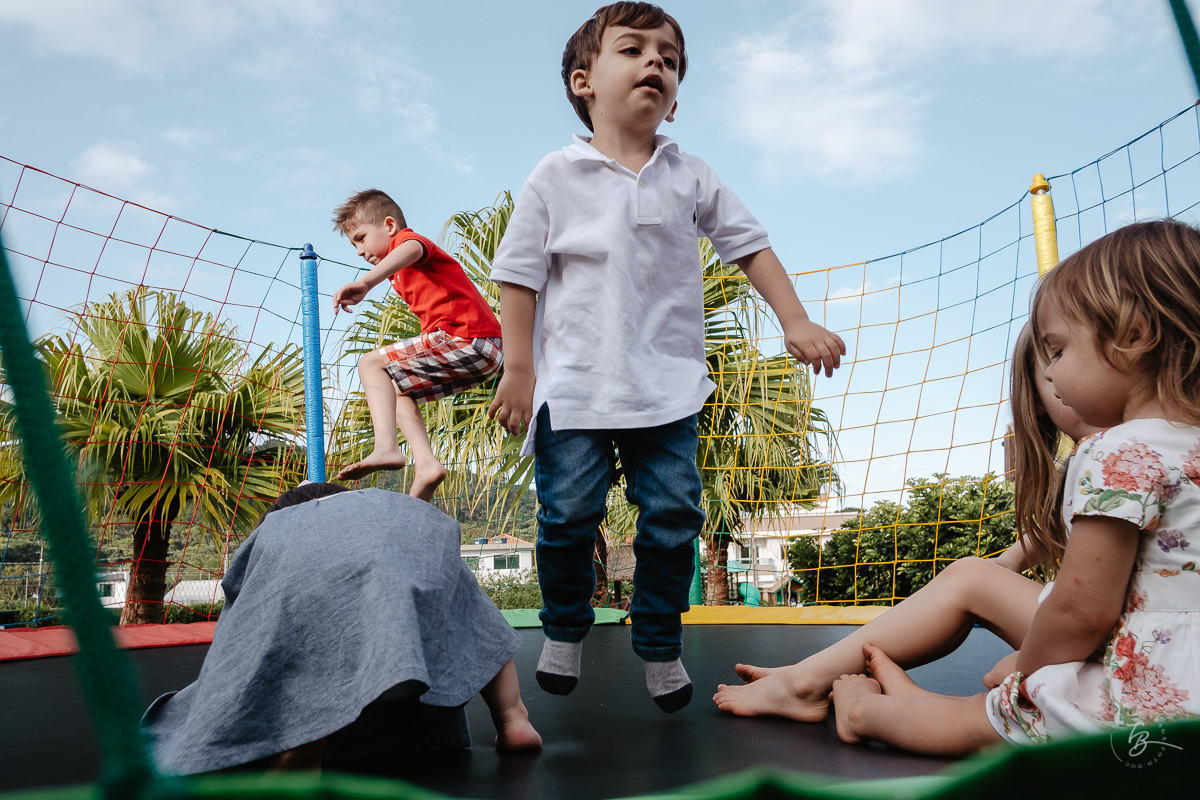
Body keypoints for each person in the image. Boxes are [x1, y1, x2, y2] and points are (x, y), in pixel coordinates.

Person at [487, 2, 846, 714]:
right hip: (576, 389)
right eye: (634, 49)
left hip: (667, 390)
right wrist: (520, 370)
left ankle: (659, 640)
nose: (656, 61)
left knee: (675, 515)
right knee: (568, 516)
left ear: (675, 99)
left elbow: (748, 245)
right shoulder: (556, 175)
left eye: (670, 59)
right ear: (584, 81)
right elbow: (518, 276)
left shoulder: (690, 174)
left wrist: (795, 319)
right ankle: (564, 629)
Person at [826, 218, 1200, 755]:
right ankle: (911, 699)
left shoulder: (1117, 451)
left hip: (1144, 707)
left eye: (1058, 351)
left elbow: (1081, 611)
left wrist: (1025, 673)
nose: (1053, 375)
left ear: (1134, 337)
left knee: (979, 718)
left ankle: (865, 712)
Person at [712, 323, 1098, 723]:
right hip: (1123, 638)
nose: (1062, 374)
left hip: (1125, 646)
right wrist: (1009, 561)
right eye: (1054, 360)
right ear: (1036, 397)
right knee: (973, 578)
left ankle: (804, 683)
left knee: (969, 580)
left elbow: (1087, 604)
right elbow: (1059, 531)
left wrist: (1026, 660)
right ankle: (809, 675)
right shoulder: (1103, 454)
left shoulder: (1111, 456)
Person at [140, 482, 541, 774]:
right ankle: (513, 719)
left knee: (309, 646)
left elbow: (241, 608)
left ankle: (304, 744)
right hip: (416, 548)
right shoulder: (382, 507)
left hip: (312, 588)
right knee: (471, 608)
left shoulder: (281, 529)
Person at [330, 190, 503, 500]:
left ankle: (386, 447)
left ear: (389, 225)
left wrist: (366, 282)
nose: (359, 251)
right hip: (483, 353)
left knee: (369, 363)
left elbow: (412, 248)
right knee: (397, 388)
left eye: (361, 238)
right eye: (354, 245)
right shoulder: (398, 270)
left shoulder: (407, 242)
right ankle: (426, 465)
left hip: (466, 336)